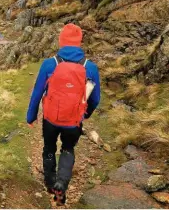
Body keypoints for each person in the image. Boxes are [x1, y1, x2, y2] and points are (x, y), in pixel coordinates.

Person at [26, 23, 100, 205]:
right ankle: (62, 183)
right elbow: (95, 99)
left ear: (61, 42)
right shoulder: (90, 67)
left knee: (49, 148)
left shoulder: (50, 64)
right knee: (67, 149)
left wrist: (31, 117)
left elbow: (37, 93)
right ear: (79, 43)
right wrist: (85, 114)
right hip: (74, 121)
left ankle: (50, 183)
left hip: (51, 119)